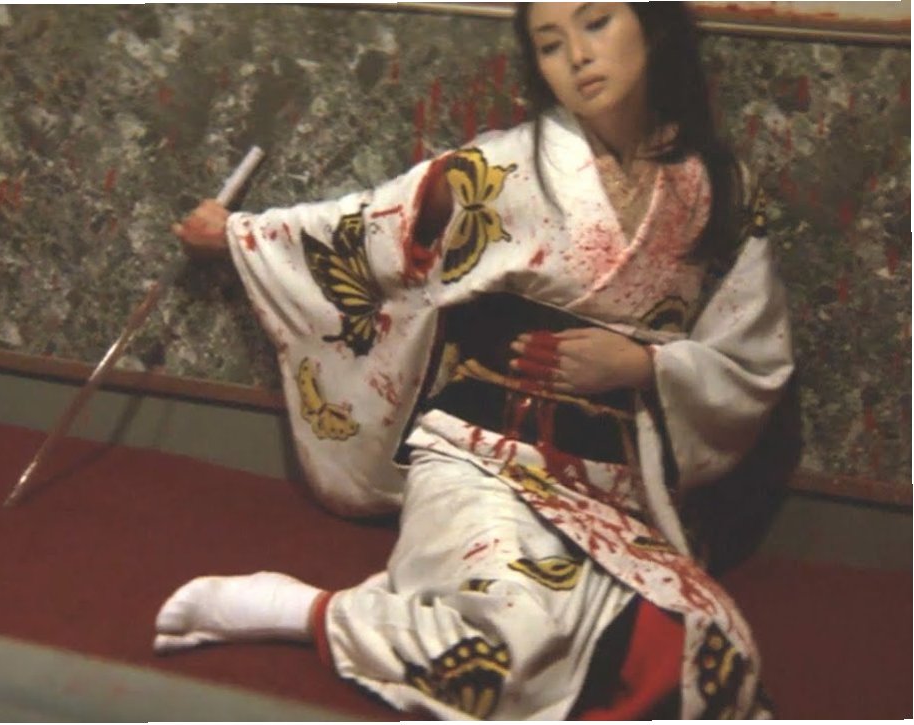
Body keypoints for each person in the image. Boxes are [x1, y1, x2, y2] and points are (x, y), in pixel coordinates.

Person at [156, 2, 793, 719]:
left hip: (615, 487)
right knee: (509, 647)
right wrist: (235, 234)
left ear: (653, 24)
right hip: (480, 455)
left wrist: (643, 365)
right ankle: (304, 610)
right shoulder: (500, 167)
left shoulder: (720, 187)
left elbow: (752, 353)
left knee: (714, 654)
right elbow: (364, 230)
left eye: (596, 23)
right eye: (549, 43)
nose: (577, 56)